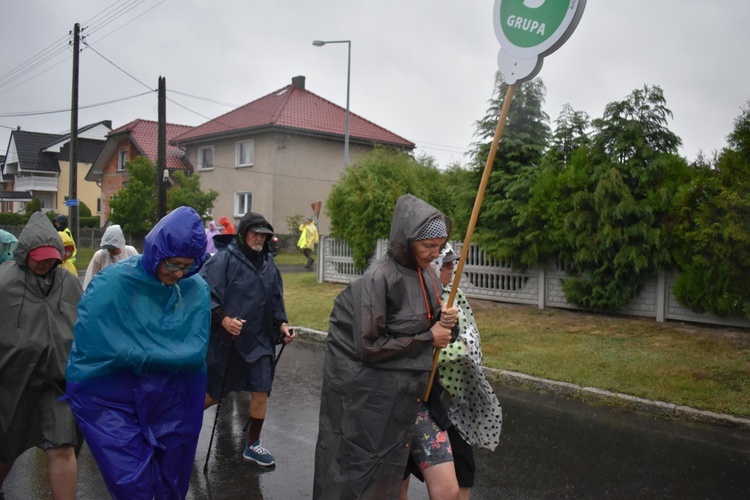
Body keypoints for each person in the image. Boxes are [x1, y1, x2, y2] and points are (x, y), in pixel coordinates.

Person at [313, 193, 459, 499]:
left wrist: (448, 325)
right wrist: (429, 338)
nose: (435, 254)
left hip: (420, 400)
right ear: (406, 240)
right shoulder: (378, 278)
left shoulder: (428, 276)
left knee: (448, 490)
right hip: (379, 409)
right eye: (428, 246)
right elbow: (369, 347)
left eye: (439, 247)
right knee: (380, 489)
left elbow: (438, 332)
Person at [64, 206, 211, 499]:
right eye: (173, 264)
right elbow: (91, 346)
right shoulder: (113, 283)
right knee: (133, 483)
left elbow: (196, 350)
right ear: (158, 252)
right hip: (114, 396)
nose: (179, 273)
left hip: (173, 396)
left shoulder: (194, 289)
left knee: (172, 479)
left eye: (188, 265)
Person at [404, 245, 503, 499]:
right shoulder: (419, 296)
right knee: (401, 470)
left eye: (452, 264)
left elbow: (469, 338)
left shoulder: (454, 295)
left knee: (462, 468)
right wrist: (434, 341)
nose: (451, 268)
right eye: (445, 264)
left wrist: (456, 344)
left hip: (456, 399)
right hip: (420, 399)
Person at [200, 211, 295, 467]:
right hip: (228, 343)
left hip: (260, 341)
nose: (260, 239)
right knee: (214, 393)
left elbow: (276, 300)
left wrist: (282, 325)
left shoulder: (269, 264)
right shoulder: (223, 261)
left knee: (261, 389)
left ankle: (252, 444)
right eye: (256, 233)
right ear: (243, 234)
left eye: (265, 235)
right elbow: (204, 292)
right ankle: (183, 426)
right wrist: (223, 319)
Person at [0, 212, 83, 500]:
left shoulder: (69, 282)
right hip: (11, 381)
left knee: (62, 447)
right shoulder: (4, 282)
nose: (46, 262)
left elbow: (84, 327)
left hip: (57, 382)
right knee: (4, 448)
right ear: (24, 254)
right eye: (39, 257)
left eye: (52, 257)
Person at [82, 224, 139, 289]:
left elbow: (137, 274)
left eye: (113, 248)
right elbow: (94, 280)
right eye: (108, 248)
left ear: (120, 243)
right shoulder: (100, 256)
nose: (110, 251)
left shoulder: (130, 252)